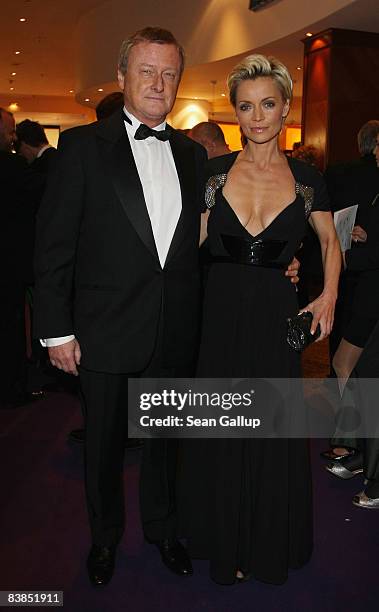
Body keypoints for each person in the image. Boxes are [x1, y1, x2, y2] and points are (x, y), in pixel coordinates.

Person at [33, 27, 207, 586]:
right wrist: (56, 330)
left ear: (179, 80)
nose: (159, 83)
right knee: (104, 447)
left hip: (172, 327)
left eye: (169, 73)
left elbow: (198, 243)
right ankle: (104, 539)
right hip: (103, 330)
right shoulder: (82, 148)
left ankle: (163, 529)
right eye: (147, 71)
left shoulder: (191, 153)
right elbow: (54, 246)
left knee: (163, 445)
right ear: (123, 77)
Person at [178, 54, 340, 585]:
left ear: (286, 108)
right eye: (246, 107)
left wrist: (328, 296)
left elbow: (329, 241)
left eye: (268, 104)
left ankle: (265, 540)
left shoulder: (308, 180)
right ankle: (224, 538)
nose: (258, 116)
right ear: (236, 113)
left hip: (274, 316)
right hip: (219, 314)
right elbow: (187, 247)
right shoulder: (213, 173)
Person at [322, 120, 379, 461]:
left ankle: (355, 444)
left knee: (346, 364)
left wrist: (346, 255)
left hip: (371, 294)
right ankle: (353, 445)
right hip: (368, 291)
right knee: (349, 365)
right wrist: (363, 236)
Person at [0, 108, 44, 408]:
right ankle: (12, 389)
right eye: (9, 129)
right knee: (11, 328)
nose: (13, 136)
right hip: (9, 265)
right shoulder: (12, 165)